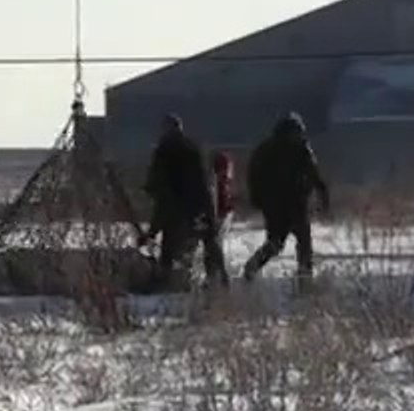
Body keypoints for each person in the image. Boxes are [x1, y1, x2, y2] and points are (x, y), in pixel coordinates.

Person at [141, 114, 230, 289]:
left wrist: (153, 230)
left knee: (171, 248)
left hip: (177, 210)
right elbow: (204, 182)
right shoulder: (194, 148)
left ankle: (168, 282)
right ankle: (219, 281)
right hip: (200, 206)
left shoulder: (164, 152)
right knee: (209, 243)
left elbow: (162, 188)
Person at [243, 112, 330, 281]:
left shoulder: (301, 149)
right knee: (276, 243)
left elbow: (313, 174)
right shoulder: (268, 149)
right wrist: (257, 197)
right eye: (295, 132)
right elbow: (254, 175)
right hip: (276, 205)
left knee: (303, 244)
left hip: (296, 203)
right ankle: (252, 267)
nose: (298, 136)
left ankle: (305, 280)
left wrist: (322, 193)